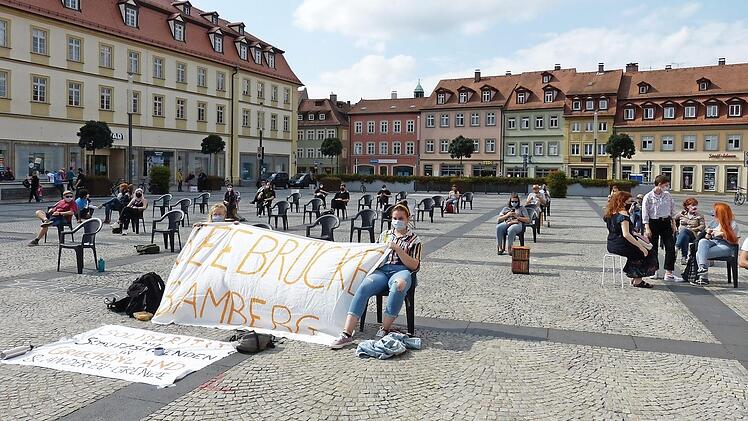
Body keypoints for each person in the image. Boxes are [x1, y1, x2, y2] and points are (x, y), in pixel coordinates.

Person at [330, 204, 422, 349]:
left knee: (399, 285)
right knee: (365, 285)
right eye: (394, 218)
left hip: (401, 270)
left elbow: (414, 265)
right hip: (382, 270)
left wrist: (398, 249)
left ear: (407, 219)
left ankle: (384, 328)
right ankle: (347, 333)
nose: (397, 221)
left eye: (400, 218)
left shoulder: (414, 240)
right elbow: (375, 255)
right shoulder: (385, 235)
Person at [605, 191, 657, 288]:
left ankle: (634, 276)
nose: (632, 204)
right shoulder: (623, 215)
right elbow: (626, 235)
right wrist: (641, 247)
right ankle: (638, 280)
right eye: (630, 202)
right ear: (624, 202)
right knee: (645, 253)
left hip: (611, 243)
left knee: (637, 253)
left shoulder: (611, 212)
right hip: (621, 244)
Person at [642, 175, 680, 281]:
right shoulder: (648, 197)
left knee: (670, 247)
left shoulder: (667, 195)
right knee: (653, 247)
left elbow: (672, 209)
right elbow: (645, 213)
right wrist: (647, 227)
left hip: (665, 222)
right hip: (653, 222)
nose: (667, 187)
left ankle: (669, 272)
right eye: (666, 185)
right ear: (659, 184)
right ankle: (653, 270)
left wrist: (673, 223)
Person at [693, 202, 739, 286]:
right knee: (702, 242)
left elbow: (734, 241)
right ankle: (703, 268)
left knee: (699, 253)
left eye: (715, 212)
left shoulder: (733, 224)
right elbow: (707, 238)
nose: (713, 213)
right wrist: (708, 233)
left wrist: (723, 235)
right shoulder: (713, 222)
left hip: (726, 245)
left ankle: (703, 277)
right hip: (713, 242)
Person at [674, 198, 706, 265]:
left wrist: (693, 229)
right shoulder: (682, 214)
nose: (695, 207)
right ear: (687, 206)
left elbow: (702, 226)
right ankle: (684, 258)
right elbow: (673, 219)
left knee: (685, 231)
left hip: (693, 235)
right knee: (685, 236)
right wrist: (675, 226)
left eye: (696, 205)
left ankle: (676, 248)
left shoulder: (699, 216)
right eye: (693, 205)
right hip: (681, 235)